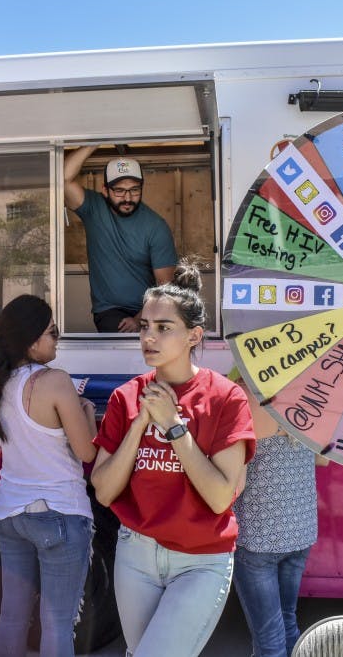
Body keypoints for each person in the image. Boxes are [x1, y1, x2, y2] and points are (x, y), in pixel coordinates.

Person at [90, 260, 255, 656]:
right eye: (145, 326)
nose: (149, 336)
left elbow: (220, 498)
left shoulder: (225, 398)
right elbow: (104, 491)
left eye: (164, 328)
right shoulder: (126, 396)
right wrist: (140, 423)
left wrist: (174, 426)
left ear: (193, 335)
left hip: (200, 560)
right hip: (136, 554)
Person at [0, 295, 98, 657]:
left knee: (12, 616)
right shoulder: (56, 381)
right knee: (57, 622)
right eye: (53, 332)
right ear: (33, 340)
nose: (57, 340)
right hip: (59, 513)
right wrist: (87, 414)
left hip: (9, 513)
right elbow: (86, 452)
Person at [230, 371, 327, 657]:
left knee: (268, 638)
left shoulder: (245, 398)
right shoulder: (308, 397)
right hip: (300, 530)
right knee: (287, 620)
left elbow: (237, 479)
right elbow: (322, 459)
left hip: (258, 536)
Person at [64, 146, 178, 333]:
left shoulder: (156, 226)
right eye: (119, 191)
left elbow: (166, 286)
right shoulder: (93, 208)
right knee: (120, 336)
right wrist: (94, 141)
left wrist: (139, 319)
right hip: (109, 310)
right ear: (105, 190)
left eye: (134, 190)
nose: (127, 198)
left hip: (149, 311)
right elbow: (63, 178)